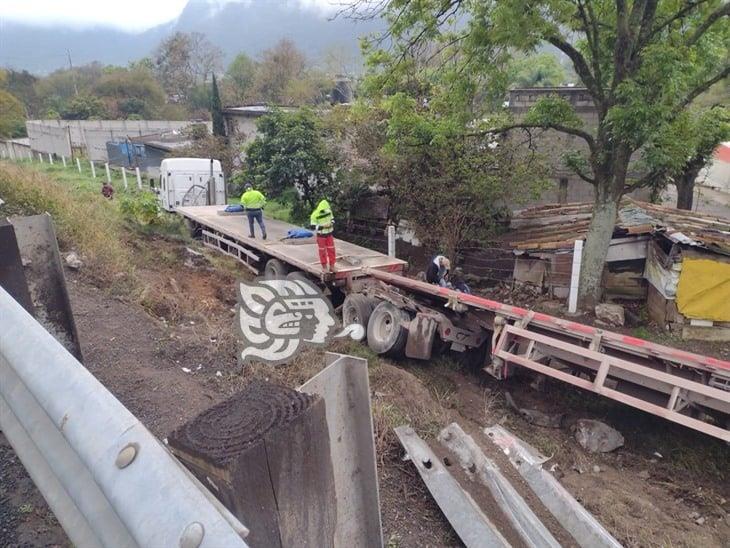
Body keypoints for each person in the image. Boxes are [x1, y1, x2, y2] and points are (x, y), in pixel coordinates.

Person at [310, 199, 336, 273]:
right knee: (322, 251)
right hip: (321, 235)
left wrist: (331, 223)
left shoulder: (329, 211)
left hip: (329, 234)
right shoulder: (315, 214)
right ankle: (324, 266)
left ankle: (332, 266)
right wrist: (323, 226)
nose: (326, 211)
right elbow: (312, 227)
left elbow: (333, 219)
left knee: (331, 250)